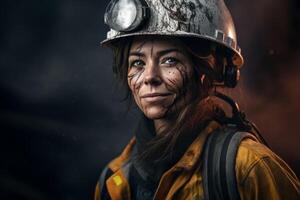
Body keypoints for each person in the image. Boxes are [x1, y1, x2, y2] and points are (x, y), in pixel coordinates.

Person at [94, 0, 300, 199]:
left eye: (169, 60)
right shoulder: (114, 180)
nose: (150, 77)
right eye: (138, 63)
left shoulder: (247, 168)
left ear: (210, 71)